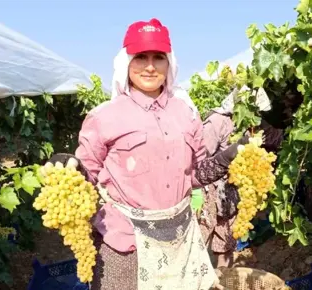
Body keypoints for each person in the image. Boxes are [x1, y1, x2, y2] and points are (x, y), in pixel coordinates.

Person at [50, 18, 250, 290]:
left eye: (159, 57)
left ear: (169, 63)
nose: (150, 66)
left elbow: (196, 174)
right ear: (126, 63)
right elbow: (88, 179)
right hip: (124, 242)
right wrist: (70, 168)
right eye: (141, 57)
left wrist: (229, 156)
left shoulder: (186, 114)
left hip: (180, 238)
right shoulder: (104, 117)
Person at [197, 86, 282, 270]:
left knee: (226, 242)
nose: (258, 116)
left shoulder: (261, 125)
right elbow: (199, 162)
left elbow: (273, 144)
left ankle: (223, 279)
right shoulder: (218, 122)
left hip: (233, 193)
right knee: (198, 243)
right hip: (208, 192)